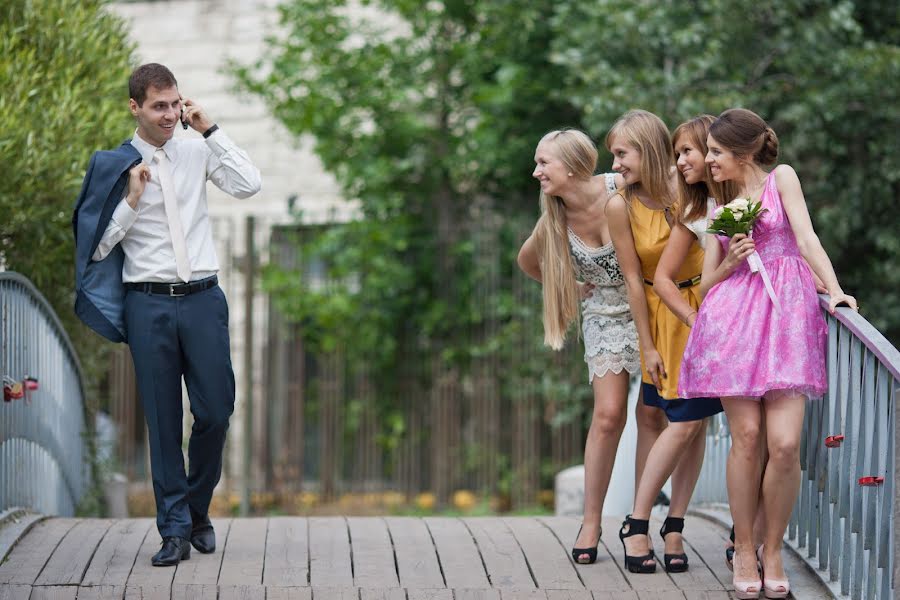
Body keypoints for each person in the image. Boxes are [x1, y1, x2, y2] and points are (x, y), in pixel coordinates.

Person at [73, 63, 261, 566]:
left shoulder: (197, 147)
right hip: (148, 303)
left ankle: (197, 508)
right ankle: (174, 530)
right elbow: (95, 248)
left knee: (216, 411)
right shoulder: (114, 164)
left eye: (175, 103)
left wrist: (212, 130)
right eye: (159, 106)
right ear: (135, 107)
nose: (170, 114)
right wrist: (131, 200)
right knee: (162, 420)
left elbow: (249, 185)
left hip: (202, 298)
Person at [679, 108, 856, 599]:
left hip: (787, 321)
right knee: (749, 436)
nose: (708, 161)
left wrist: (835, 289)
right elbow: (707, 286)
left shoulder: (783, 179)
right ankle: (743, 546)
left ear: (744, 151)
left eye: (715, 151)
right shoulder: (720, 210)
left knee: (784, 444)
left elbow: (806, 237)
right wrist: (731, 258)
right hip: (734, 324)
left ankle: (771, 548)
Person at [605, 110, 723, 574]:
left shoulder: (691, 188)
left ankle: (674, 524)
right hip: (663, 310)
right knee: (676, 416)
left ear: (649, 150)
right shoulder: (620, 205)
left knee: (698, 419)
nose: (615, 165)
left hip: (709, 305)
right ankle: (639, 524)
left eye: (621, 154)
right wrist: (647, 345)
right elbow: (635, 281)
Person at [517, 129, 642, 565]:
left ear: (571, 165)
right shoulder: (554, 217)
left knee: (655, 414)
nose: (536, 172)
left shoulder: (622, 187)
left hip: (650, 306)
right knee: (608, 416)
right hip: (603, 314)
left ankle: (642, 521)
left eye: (543, 163)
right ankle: (592, 521)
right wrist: (571, 286)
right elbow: (527, 261)